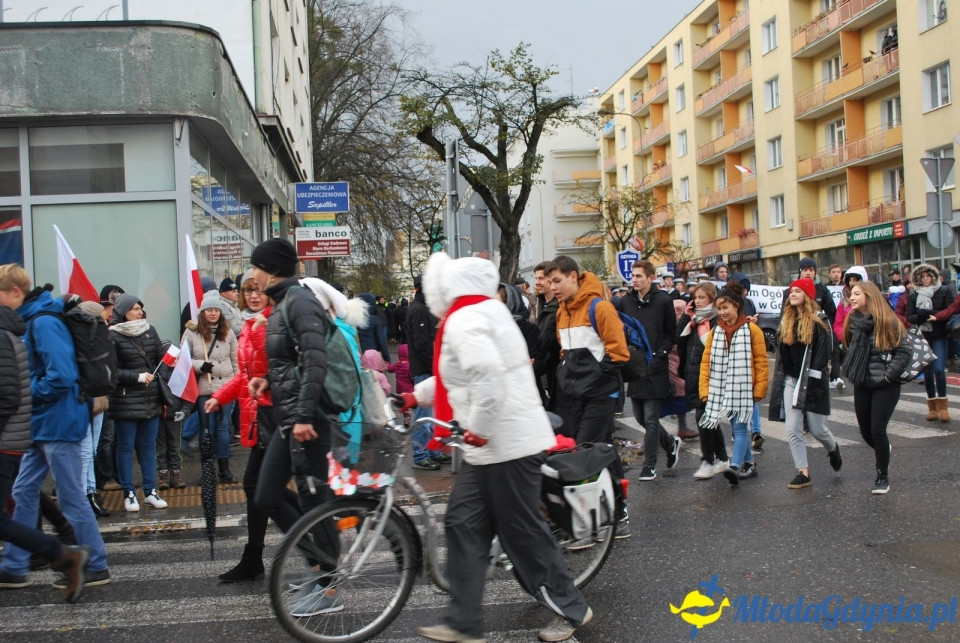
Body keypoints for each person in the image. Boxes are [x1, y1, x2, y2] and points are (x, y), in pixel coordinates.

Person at [399, 252, 593, 643]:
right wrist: (415, 396)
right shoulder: (485, 313)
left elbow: (485, 377)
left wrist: (481, 429)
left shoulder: (466, 320)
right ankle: (464, 623)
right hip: (490, 445)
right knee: (463, 523)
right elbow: (461, 378)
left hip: (507, 444)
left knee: (523, 535)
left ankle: (572, 608)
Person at [246, 238, 341, 616]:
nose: (251, 275)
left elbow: (316, 361)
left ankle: (330, 588)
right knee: (265, 494)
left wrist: (303, 416)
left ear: (270, 268)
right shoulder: (285, 302)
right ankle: (319, 566)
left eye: (255, 267)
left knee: (314, 501)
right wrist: (269, 380)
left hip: (308, 420)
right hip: (292, 416)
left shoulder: (299, 301)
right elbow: (294, 360)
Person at [0, 268, 90, 601]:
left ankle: (92, 560)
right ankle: (14, 564)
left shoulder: (43, 322)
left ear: (13, 292)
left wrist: (26, 391)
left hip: (59, 420)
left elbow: (61, 376)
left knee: (70, 496)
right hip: (41, 422)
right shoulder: (29, 321)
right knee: (23, 489)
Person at [209, 270, 296, 583]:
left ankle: (310, 534)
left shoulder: (273, 323)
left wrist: (268, 384)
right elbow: (245, 376)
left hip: (278, 415)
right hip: (260, 415)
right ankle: (256, 556)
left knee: (261, 488)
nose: (253, 296)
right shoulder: (249, 324)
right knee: (257, 487)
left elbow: (286, 369)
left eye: (258, 290)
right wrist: (220, 397)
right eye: (248, 290)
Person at [546, 255, 631, 535]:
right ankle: (615, 510)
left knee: (585, 449)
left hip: (599, 394)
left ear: (574, 276)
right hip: (574, 395)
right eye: (549, 282)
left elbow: (618, 352)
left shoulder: (599, 307)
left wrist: (594, 378)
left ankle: (594, 517)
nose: (553, 287)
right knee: (601, 448)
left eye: (557, 280)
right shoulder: (562, 311)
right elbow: (565, 351)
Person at [769, 279, 843, 489]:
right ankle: (803, 472)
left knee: (817, 429)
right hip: (791, 381)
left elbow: (821, 359)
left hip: (812, 382)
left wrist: (809, 383)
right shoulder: (786, 322)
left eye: (798, 291)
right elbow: (782, 356)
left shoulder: (819, 323)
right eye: (791, 290)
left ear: (808, 296)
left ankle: (833, 448)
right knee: (793, 428)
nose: (792, 294)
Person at [841, 281, 911, 494]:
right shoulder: (852, 321)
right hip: (863, 382)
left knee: (877, 429)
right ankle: (884, 450)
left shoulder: (887, 320)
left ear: (869, 296)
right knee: (865, 431)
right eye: (850, 294)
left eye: (856, 294)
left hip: (885, 384)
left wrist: (889, 376)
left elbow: (904, 352)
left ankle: (882, 476)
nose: (851, 298)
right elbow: (848, 347)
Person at [698, 280, 768, 485]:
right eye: (719, 308)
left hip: (744, 388)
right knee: (737, 427)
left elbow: (761, 362)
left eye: (725, 307)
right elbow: (706, 361)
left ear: (736, 306)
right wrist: (705, 390)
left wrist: (760, 388)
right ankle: (749, 463)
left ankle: (735, 466)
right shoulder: (715, 332)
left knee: (738, 428)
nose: (721, 312)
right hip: (723, 387)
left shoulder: (752, 330)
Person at [620, 260, 680, 482]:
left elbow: (669, 332)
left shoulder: (664, 300)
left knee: (652, 419)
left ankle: (650, 465)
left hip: (655, 366)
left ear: (650, 277)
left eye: (638, 276)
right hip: (635, 366)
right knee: (640, 417)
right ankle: (670, 443)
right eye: (633, 276)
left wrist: (660, 355)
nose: (634, 279)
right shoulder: (626, 301)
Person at [108, 293, 168, 512]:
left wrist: (165, 368)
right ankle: (129, 493)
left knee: (148, 447)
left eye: (140, 308)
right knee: (125, 447)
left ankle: (150, 492)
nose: (140, 312)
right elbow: (112, 371)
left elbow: (160, 359)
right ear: (123, 312)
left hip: (150, 398)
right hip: (125, 400)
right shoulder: (113, 335)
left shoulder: (150, 330)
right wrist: (137, 377)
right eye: (134, 308)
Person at [182, 291, 240, 482]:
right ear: (202, 312)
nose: (213, 313)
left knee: (223, 428)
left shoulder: (228, 331)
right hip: (204, 387)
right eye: (209, 310)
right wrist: (200, 365)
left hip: (226, 386)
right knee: (207, 428)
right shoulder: (191, 332)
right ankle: (208, 471)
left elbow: (235, 359)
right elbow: (183, 360)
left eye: (216, 310)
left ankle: (224, 469)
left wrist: (237, 382)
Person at [676, 282, 728, 479]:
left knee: (702, 417)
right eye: (695, 298)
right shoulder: (693, 320)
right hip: (692, 375)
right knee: (709, 420)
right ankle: (722, 458)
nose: (697, 301)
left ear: (712, 299)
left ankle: (707, 460)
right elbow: (678, 340)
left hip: (711, 376)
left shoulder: (716, 320)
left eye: (702, 298)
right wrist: (686, 318)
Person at [406, 276, 445, 470]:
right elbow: (423, 344)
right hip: (424, 369)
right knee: (424, 415)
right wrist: (434, 366)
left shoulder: (424, 308)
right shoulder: (419, 310)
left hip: (427, 368)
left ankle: (431, 451)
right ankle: (421, 454)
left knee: (431, 415)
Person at [906, 263, 955, 422]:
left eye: (928, 276)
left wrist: (931, 314)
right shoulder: (913, 293)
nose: (925, 279)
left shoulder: (944, 290)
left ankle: (943, 407)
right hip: (923, 335)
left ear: (934, 277)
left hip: (939, 334)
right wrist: (921, 316)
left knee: (939, 370)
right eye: (922, 277)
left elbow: (950, 311)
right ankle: (932, 408)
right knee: (927, 372)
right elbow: (910, 316)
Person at [533, 262, 561, 410]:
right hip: (542, 368)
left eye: (541, 278)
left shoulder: (560, 306)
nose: (537, 282)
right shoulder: (538, 303)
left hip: (555, 367)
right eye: (536, 278)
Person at [666, 299, 695, 440]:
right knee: (677, 394)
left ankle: (683, 428)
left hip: (677, 364)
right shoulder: (672, 325)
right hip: (671, 366)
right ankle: (653, 431)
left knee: (680, 396)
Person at [357, 293, 390, 363]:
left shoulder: (354, 319)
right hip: (373, 354)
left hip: (359, 354)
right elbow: (381, 341)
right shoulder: (374, 319)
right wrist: (387, 359)